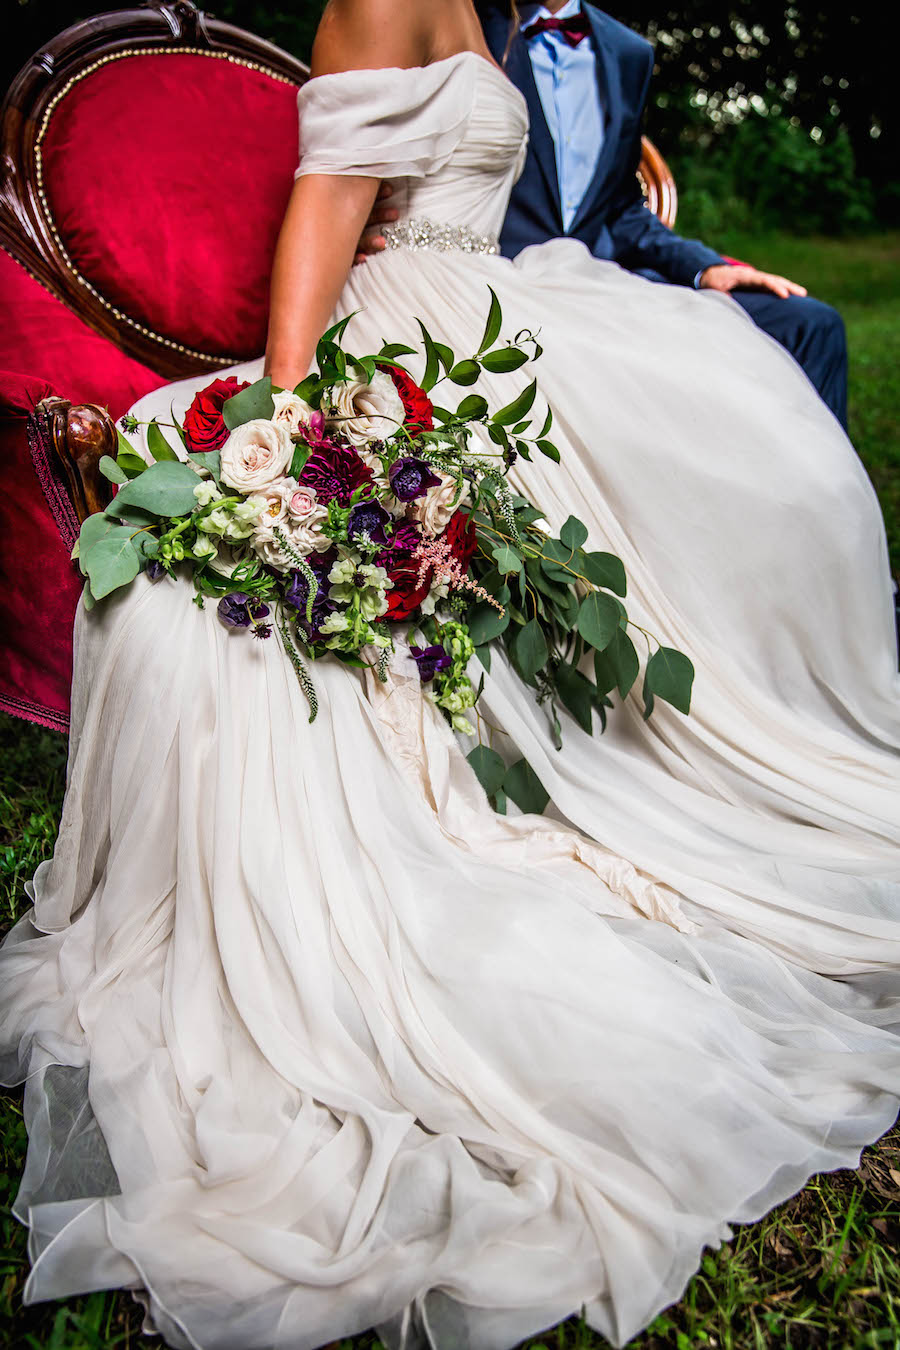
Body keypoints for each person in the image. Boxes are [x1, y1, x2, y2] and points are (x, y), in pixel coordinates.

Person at [2, 2, 898, 1349]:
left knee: (735, 432)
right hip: (411, 316)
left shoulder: (477, 7)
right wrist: (292, 415)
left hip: (505, 300)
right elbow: (325, 201)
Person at [358, 0, 849, 427]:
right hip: (492, 286)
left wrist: (709, 268)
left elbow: (620, 206)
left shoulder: (629, 52)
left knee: (811, 323)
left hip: (602, 282)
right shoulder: (458, 23)